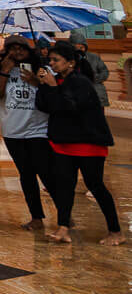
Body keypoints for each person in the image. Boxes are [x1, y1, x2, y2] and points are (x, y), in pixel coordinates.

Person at [36, 41, 122, 245]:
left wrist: (51, 86)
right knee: (64, 186)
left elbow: (70, 107)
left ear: (71, 63)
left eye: (56, 60)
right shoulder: (56, 81)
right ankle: (63, 227)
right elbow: (44, 106)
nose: (53, 64)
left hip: (87, 142)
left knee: (96, 185)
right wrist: (43, 85)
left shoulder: (81, 82)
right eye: (50, 60)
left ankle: (116, 231)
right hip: (63, 142)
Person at [0, 34, 54, 229]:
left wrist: (38, 81)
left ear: (29, 51)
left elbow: (55, 93)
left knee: (47, 174)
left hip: (39, 130)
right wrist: (5, 73)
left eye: (21, 48)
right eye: (12, 48)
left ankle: (64, 215)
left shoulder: (44, 69)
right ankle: (36, 217)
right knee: (26, 175)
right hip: (13, 132)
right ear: (6, 52)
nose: (17, 52)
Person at [68, 29, 111, 107]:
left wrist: (94, 78)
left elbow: (105, 72)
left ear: (85, 47)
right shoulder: (68, 61)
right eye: (76, 48)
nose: (79, 50)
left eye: (81, 48)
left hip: (96, 93)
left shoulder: (94, 57)